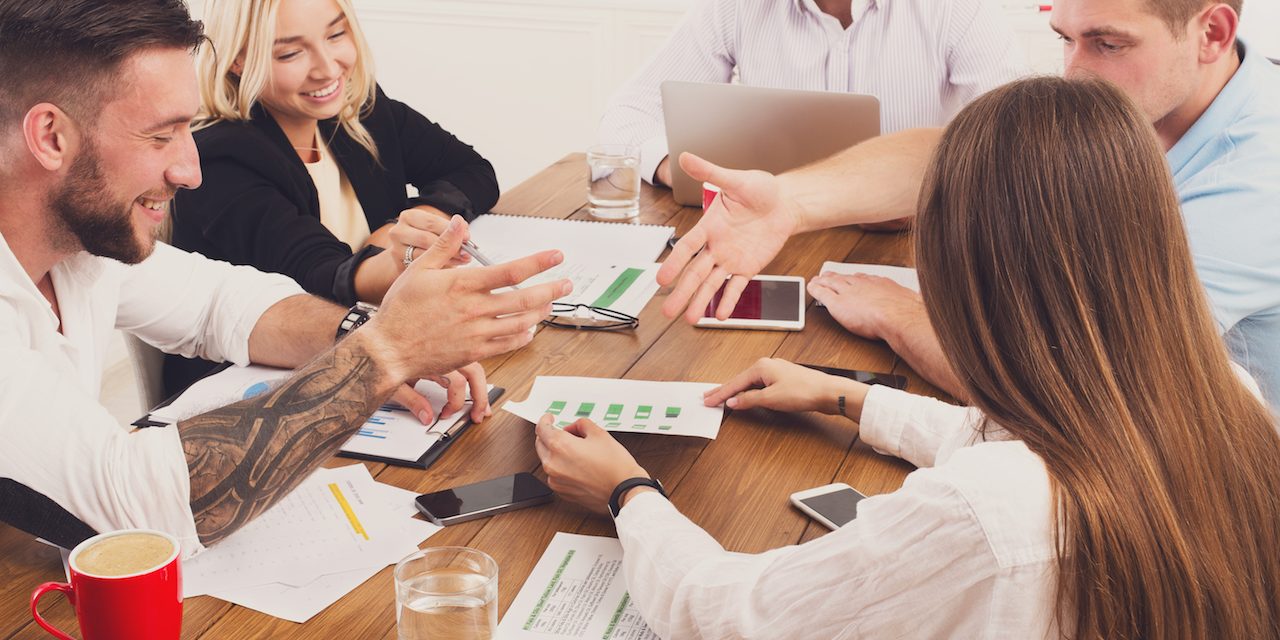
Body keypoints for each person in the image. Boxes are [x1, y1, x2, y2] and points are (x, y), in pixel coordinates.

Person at [537, 77, 1280, 639]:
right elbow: (1046, 449)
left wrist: (628, 493)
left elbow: (730, 614)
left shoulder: (985, 512)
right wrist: (849, 399)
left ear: (970, 275)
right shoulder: (1232, 398)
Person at [0, 0, 568, 555]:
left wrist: (358, 332)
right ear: (50, 136)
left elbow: (222, 303)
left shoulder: (82, 248)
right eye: (160, 135)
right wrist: (386, 351)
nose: (189, 171)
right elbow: (144, 510)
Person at [657, 0, 1280, 406]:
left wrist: (901, 316)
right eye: (1065, 39)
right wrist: (789, 202)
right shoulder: (1146, 105)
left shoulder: (1258, 178)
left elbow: (1083, 392)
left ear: (1212, 32)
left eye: (1107, 45)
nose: (1074, 73)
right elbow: (966, 155)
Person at [165, 0, 499, 395]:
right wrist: (398, 257)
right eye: (290, 52)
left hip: (364, 343)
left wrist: (407, 227)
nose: (328, 68)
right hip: (251, 386)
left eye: (336, 34)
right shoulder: (219, 158)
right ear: (238, 61)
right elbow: (317, 274)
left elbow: (473, 171)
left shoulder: (358, 110)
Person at [596, 0, 1026, 189]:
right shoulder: (734, 6)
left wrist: (921, 193)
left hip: (910, 248)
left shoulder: (960, 7)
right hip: (767, 233)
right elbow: (626, 118)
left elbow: (1016, 147)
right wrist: (690, 174)